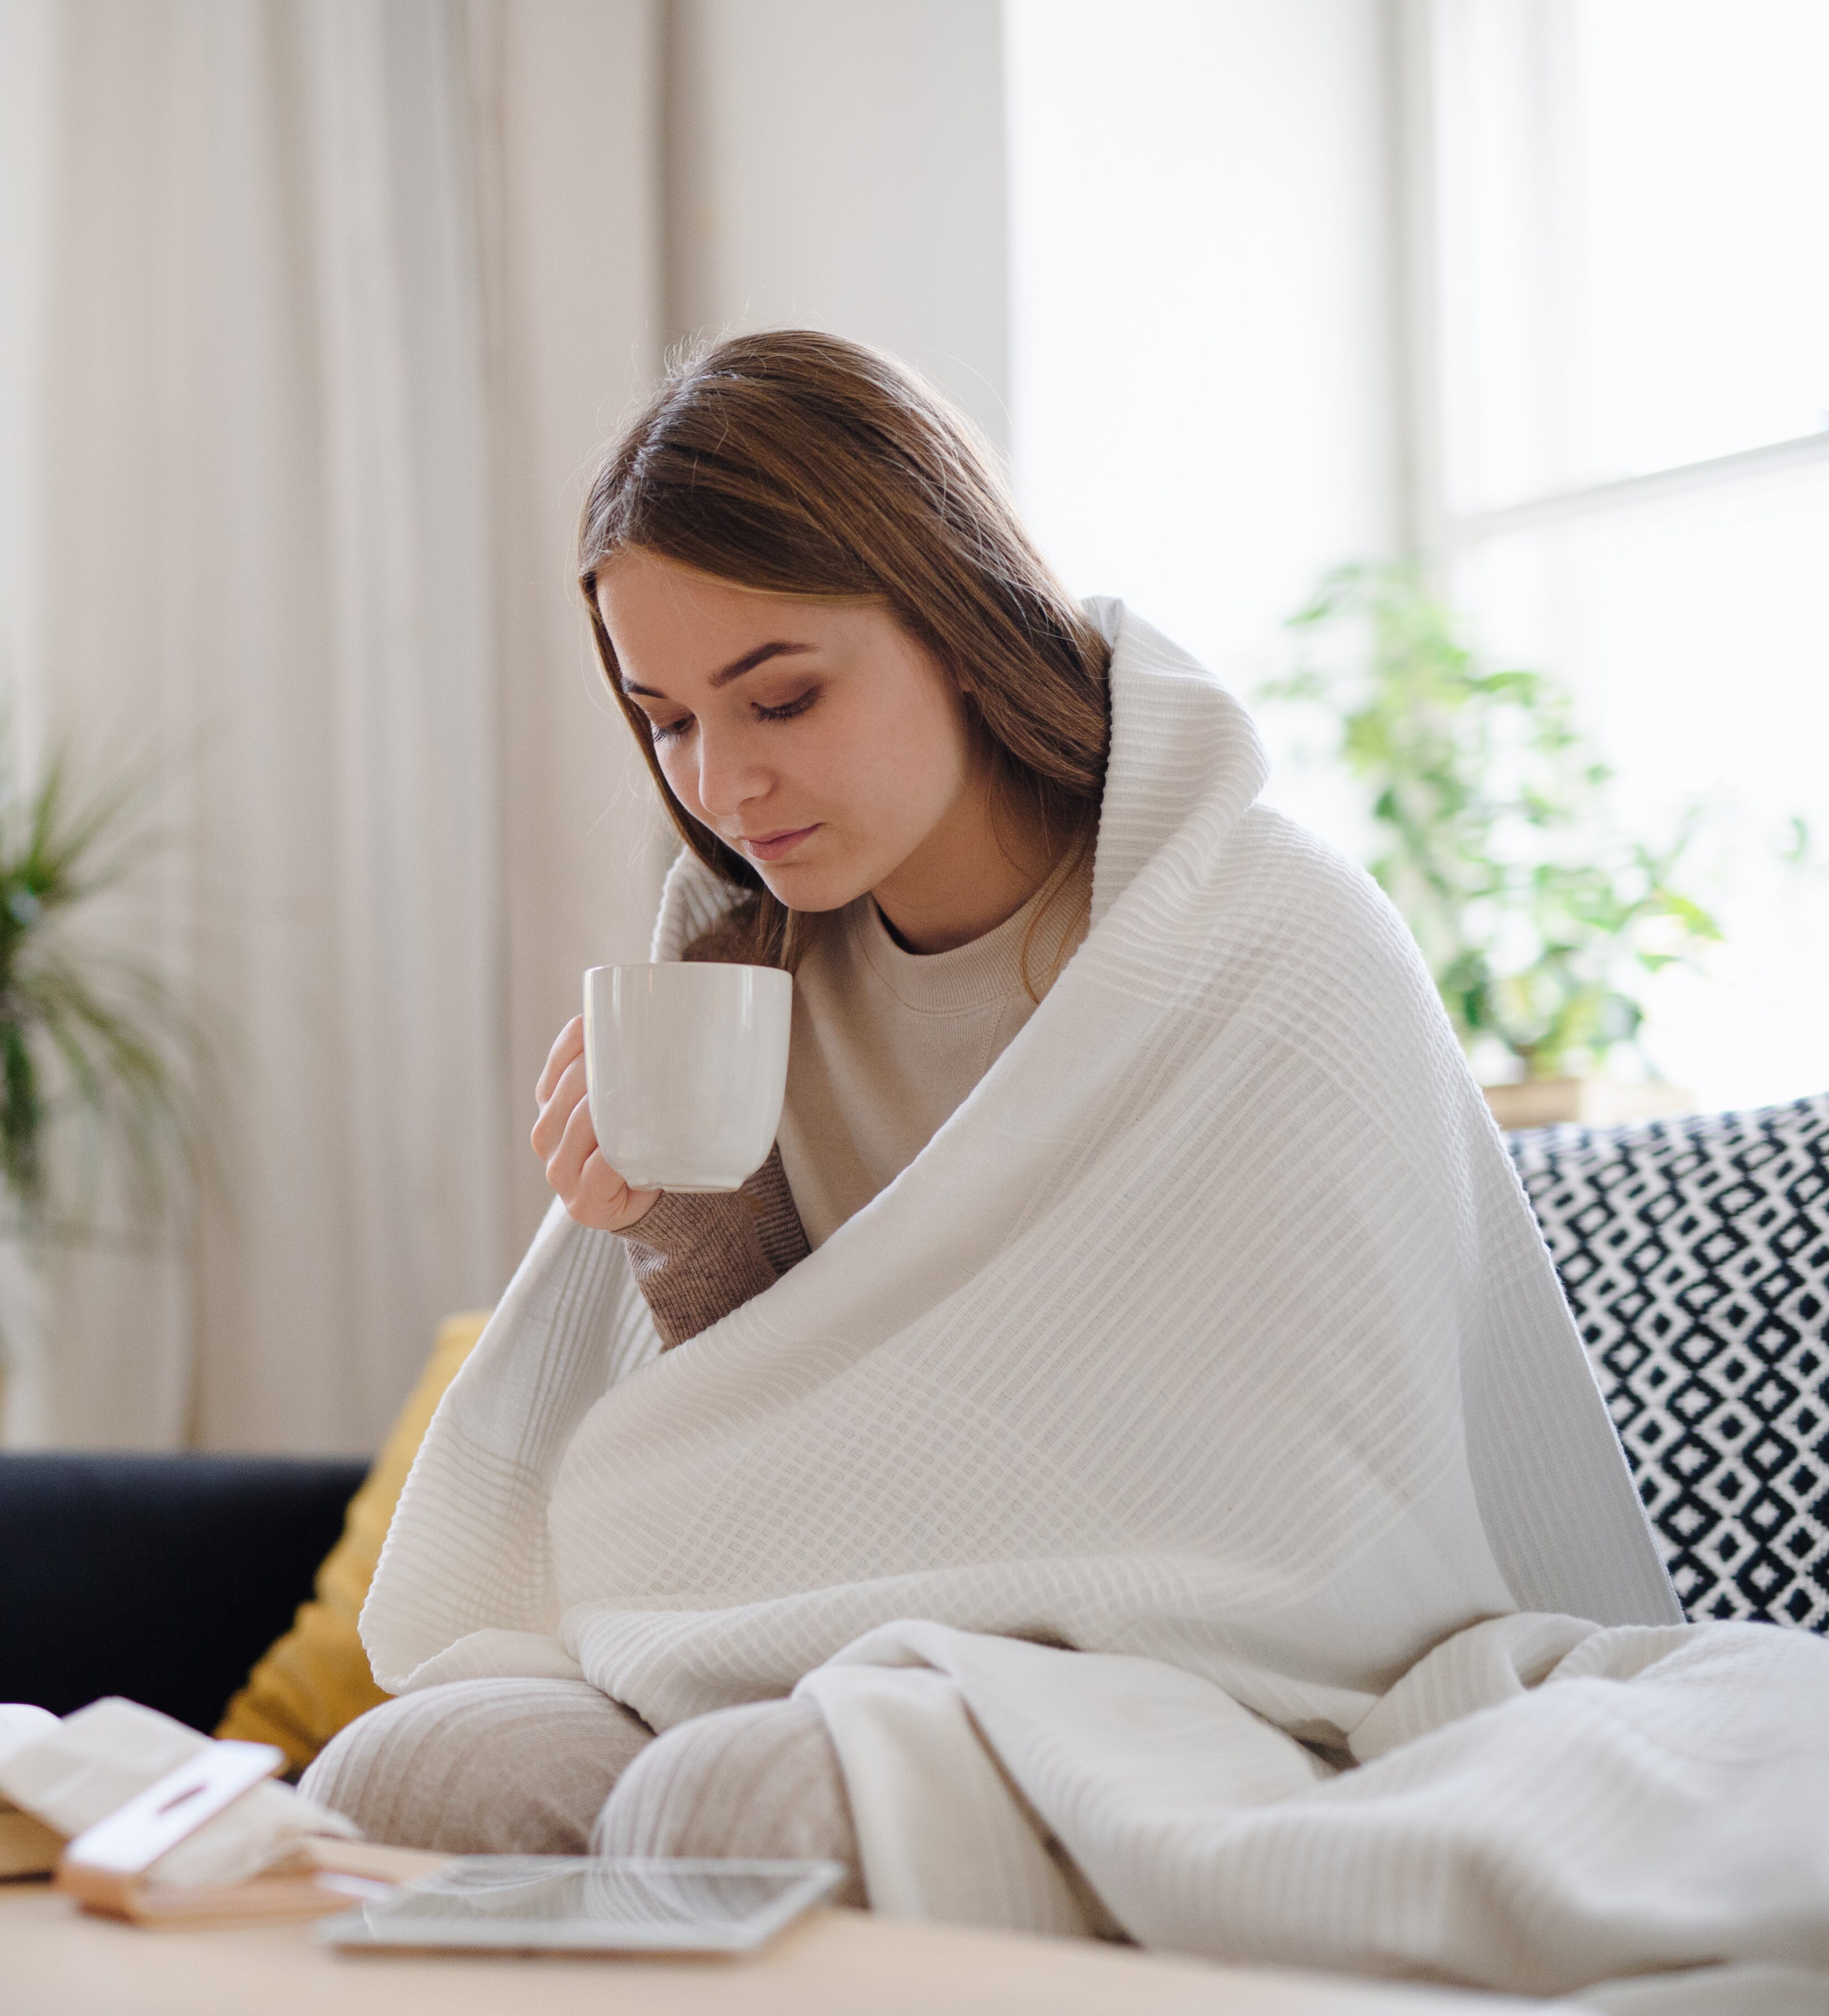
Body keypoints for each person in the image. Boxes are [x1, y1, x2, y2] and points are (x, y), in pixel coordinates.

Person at [299, 333, 1829, 1997]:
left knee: (725, 1799)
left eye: (783, 696)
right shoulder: (740, 964)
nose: (724, 785)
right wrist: (675, 1223)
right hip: (797, 1627)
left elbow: (1316, 1519)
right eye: (664, 720)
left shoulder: (1260, 937)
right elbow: (784, 1416)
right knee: (413, 1770)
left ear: (951, 613)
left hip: (1193, 1668)